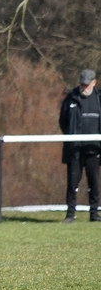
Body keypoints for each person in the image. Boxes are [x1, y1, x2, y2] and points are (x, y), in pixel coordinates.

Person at [59, 68, 101, 222]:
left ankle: (94, 213)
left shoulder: (99, 98)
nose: (84, 87)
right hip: (74, 149)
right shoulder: (71, 98)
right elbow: (63, 121)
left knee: (94, 182)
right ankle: (70, 214)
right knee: (72, 182)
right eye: (82, 84)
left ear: (94, 83)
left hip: (94, 149)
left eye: (87, 85)